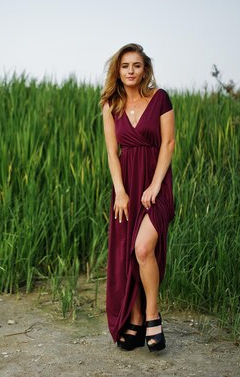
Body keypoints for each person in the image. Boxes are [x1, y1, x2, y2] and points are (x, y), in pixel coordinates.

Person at [100, 43, 175, 353]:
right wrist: (120, 191)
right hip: (127, 190)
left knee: (144, 248)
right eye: (125, 66)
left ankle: (152, 315)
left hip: (156, 186)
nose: (131, 71)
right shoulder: (110, 106)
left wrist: (156, 186)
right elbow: (112, 153)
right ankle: (133, 317)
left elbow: (168, 144)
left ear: (145, 70)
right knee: (129, 251)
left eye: (137, 66)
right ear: (118, 71)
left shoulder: (159, 99)